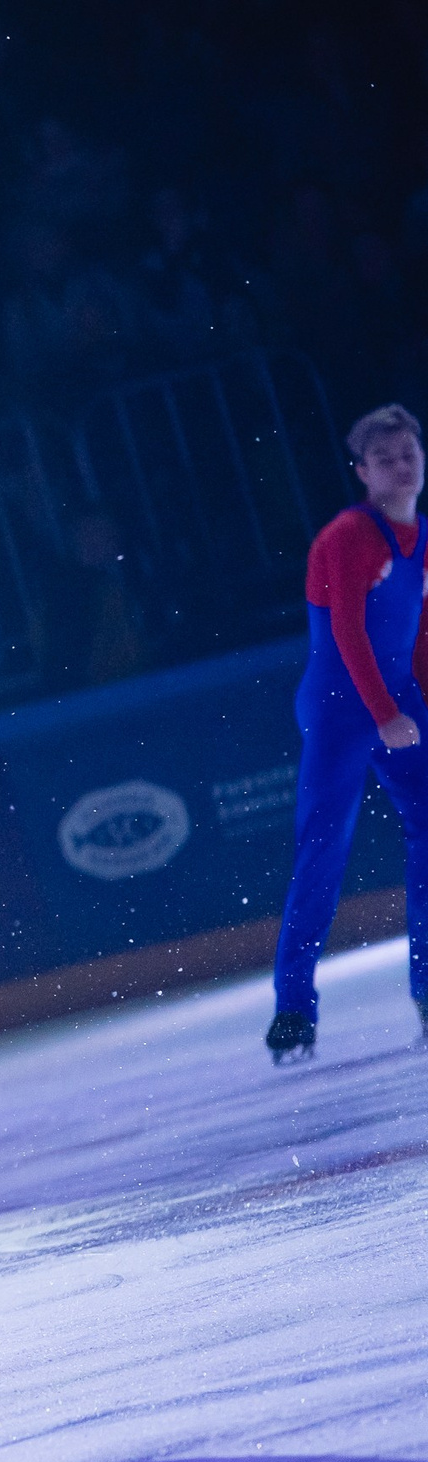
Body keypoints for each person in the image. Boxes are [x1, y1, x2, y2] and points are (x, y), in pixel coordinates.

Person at [267, 404, 428, 1062]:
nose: (400, 463)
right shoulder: (347, 536)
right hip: (341, 704)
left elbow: (417, 635)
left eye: (408, 451)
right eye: (384, 457)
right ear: (362, 472)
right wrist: (385, 713)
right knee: (323, 849)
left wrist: (414, 704)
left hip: (395, 695)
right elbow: (348, 631)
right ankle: (293, 1010)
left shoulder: (422, 535)